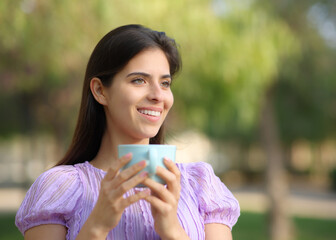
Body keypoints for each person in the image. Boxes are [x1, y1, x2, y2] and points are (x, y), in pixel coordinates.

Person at [15, 24, 240, 240]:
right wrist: (96, 227)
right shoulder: (59, 187)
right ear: (100, 91)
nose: (157, 95)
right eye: (139, 80)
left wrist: (173, 231)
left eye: (165, 83)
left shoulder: (200, 184)